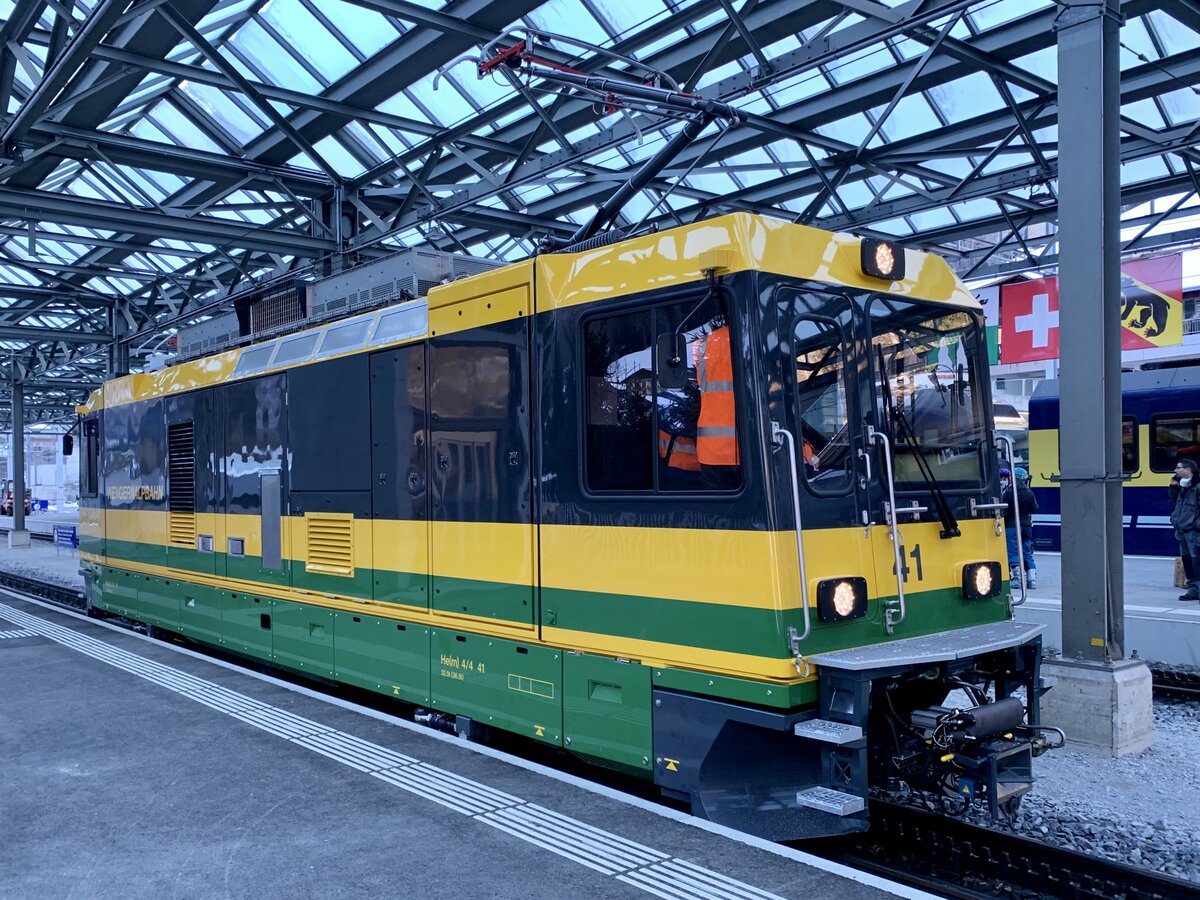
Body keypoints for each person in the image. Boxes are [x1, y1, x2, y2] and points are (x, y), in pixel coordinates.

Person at [1001, 466, 1038, 590]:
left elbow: (1003, 510)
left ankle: (1017, 579)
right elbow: (1034, 508)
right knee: (1027, 551)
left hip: (1012, 526)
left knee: (1013, 551)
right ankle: (1031, 580)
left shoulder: (1008, 492)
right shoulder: (1029, 493)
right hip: (1026, 526)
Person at [1169, 458, 1200, 601]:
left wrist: (1196, 524)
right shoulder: (1181, 485)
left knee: (1196, 560)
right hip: (1181, 529)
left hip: (1193, 530)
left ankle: (1196, 588)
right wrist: (1173, 486)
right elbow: (1175, 501)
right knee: (1187, 560)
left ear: (1189, 470)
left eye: (1178, 468)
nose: (1175, 471)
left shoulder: (1197, 486)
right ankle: (1193, 588)